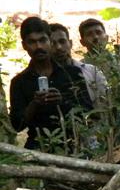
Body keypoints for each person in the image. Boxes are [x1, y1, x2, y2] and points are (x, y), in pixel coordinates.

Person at [8, 16, 92, 150]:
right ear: (24, 45)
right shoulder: (19, 82)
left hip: (73, 147)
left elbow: (88, 112)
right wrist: (34, 104)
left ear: (50, 41)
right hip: (38, 148)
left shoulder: (72, 73)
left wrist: (62, 102)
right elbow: (17, 126)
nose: (38, 46)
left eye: (42, 40)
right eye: (32, 42)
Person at [48, 23, 108, 105]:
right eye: (52, 43)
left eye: (62, 41)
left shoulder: (92, 71)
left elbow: (106, 103)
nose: (58, 47)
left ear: (70, 43)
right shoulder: (45, 76)